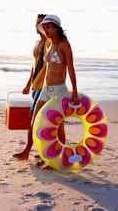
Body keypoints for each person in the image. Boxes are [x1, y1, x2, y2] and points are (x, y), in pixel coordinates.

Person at [15, 14, 80, 169]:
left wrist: (75, 91)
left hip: (58, 90)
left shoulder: (64, 44)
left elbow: (70, 67)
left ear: (57, 27)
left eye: (48, 27)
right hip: (45, 89)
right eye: (44, 28)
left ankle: (56, 158)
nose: (47, 30)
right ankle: (46, 155)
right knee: (36, 122)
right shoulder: (50, 45)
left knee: (58, 126)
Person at [12, 14, 50, 161]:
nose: (37, 26)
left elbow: (51, 65)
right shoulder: (37, 43)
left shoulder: (49, 43)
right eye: (36, 23)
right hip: (35, 86)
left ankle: (27, 151)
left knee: (35, 119)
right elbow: (34, 66)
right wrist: (28, 84)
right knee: (38, 120)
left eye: (41, 23)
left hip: (44, 87)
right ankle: (42, 151)